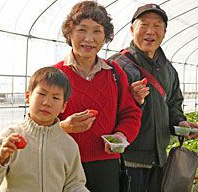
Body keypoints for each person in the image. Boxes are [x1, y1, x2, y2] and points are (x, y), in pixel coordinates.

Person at [109, 3, 198, 192]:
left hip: (160, 160)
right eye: (144, 24)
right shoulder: (117, 66)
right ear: (132, 29)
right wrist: (133, 101)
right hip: (127, 162)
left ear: (165, 32)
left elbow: (174, 105)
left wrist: (181, 124)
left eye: (157, 26)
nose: (150, 31)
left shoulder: (169, 69)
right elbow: (108, 112)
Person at [54, 1, 142, 192]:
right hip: (63, 165)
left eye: (97, 31)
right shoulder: (55, 75)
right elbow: (37, 124)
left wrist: (120, 135)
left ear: (105, 36)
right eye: (81, 30)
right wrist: (64, 127)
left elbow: (130, 113)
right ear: (70, 33)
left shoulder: (115, 73)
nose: (89, 38)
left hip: (107, 167)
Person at [0, 67, 89, 192]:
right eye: (42, 94)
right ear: (27, 96)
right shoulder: (9, 137)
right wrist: (1, 157)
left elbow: (74, 185)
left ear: (63, 106)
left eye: (55, 98)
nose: (47, 102)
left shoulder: (68, 145)